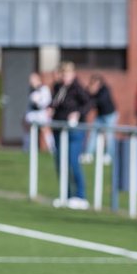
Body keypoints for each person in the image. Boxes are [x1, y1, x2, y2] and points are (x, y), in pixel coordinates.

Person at [50, 61, 90, 202]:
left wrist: (77, 113)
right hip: (59, 129)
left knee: (73, 162)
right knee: (61, 163)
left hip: (74, 130)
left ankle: (80, 196)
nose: (65, 77)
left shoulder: (77, 88)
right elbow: (54, 104)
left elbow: (88, 103)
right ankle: (65, 194)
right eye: (63, 74)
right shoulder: (57, 88)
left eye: (67, 74)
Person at [84, 74, 118, 162]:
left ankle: (109, 155)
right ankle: (89, 154)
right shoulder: (91, 90)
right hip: (100, 116)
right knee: (93, 133)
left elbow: (100, 101)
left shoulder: (105, 90)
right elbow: (86, 99)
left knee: (109, 135)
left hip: (110, 115)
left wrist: (93, 94)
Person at [24, 72, 55, 153]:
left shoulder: (44, 89)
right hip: (32, 113)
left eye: (32, 79)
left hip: (41, 113)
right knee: (29, 130)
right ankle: (27, 148)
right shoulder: (31, 89)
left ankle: (52, 148)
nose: (31, 81)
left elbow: (47, 101)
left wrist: (38, 102)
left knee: (45, 130)